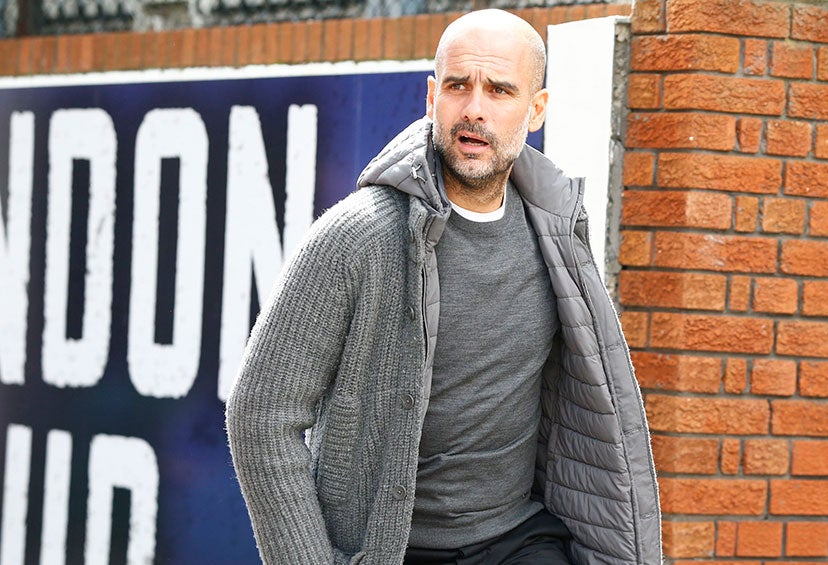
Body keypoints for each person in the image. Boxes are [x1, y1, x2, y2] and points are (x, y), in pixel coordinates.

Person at [226, 9, 661, 564]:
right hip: (391, 548)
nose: (474, 108)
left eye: (500, 90)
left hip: (518, 538)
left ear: (536, 110)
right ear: (433, 98)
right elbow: (262, 413)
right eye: (459, 86)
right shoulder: (358, 236)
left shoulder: (556, 232)